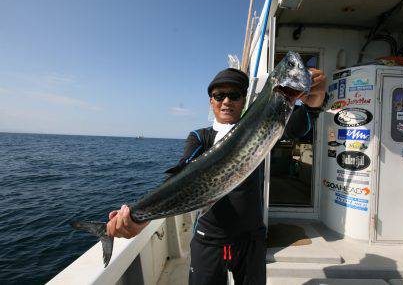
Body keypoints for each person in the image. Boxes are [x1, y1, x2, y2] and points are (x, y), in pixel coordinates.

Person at [106, 66, 326, 284]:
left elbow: (298, 127)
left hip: (251, 240)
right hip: (208, 241)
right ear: (211, 101)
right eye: (219, 95)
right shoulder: (200, 137)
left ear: (244, 100)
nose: (227, 101)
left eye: (234, 95)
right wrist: (138, 218)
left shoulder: (259, 126)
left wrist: (314, 104)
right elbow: (181, 180)